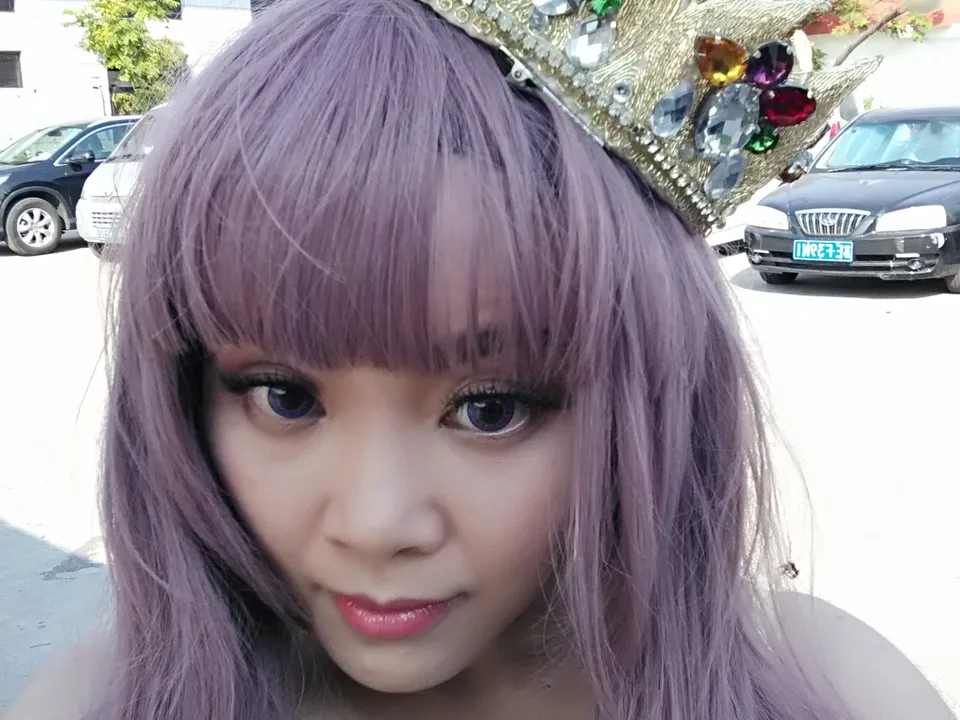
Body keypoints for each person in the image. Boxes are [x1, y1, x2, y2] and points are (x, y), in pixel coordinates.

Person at [7, 1, 947, 719]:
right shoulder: (92, 704)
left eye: (491, 408)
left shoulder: (837, 694)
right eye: (284, 397)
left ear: (658, 389)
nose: (376, 524)